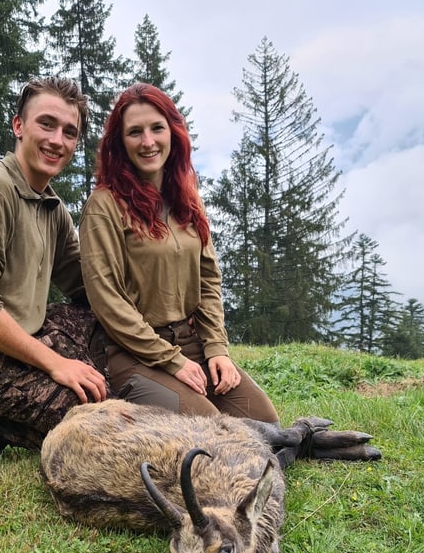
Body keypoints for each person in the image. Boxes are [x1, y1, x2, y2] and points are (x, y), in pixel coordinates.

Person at [79, 82, 278, 422]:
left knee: (264, 422)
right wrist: (172, 361)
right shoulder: (104, 206)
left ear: (174, 131)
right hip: (134, 353)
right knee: (211, 431)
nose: (148, 142)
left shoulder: (187, 198)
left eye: (157, 128)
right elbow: (107, 301)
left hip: (191, 341)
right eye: (134, 132)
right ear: (119, 142)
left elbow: (209, 281)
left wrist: (216, 349)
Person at [0, 76, 108, 461]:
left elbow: (88, 287)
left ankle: (1, 418)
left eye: (69, 132)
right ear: (18, 125)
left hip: (31, 338)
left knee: (107, 337)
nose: (57, 140)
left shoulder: (50, 206)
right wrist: (57, 364)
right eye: (46, 124)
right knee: (101, 425)